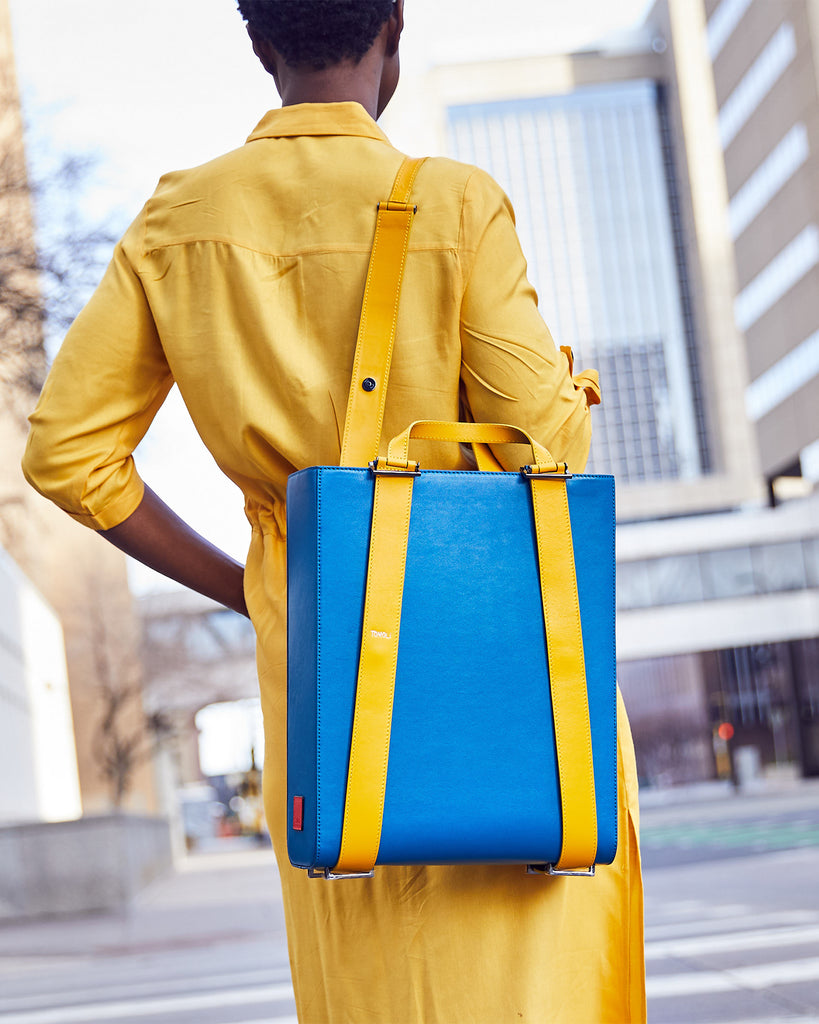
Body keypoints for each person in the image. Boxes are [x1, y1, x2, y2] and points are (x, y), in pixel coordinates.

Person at [22, 1, 646, 1020]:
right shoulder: (454, 205)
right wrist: (568, 387)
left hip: (317, 674)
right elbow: (548, 437)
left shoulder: (179, 222)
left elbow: (67, 453)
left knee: (365, 964)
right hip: (499, 657)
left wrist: (256, 588)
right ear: (393, 32)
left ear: (260, 43)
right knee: (535, 962)